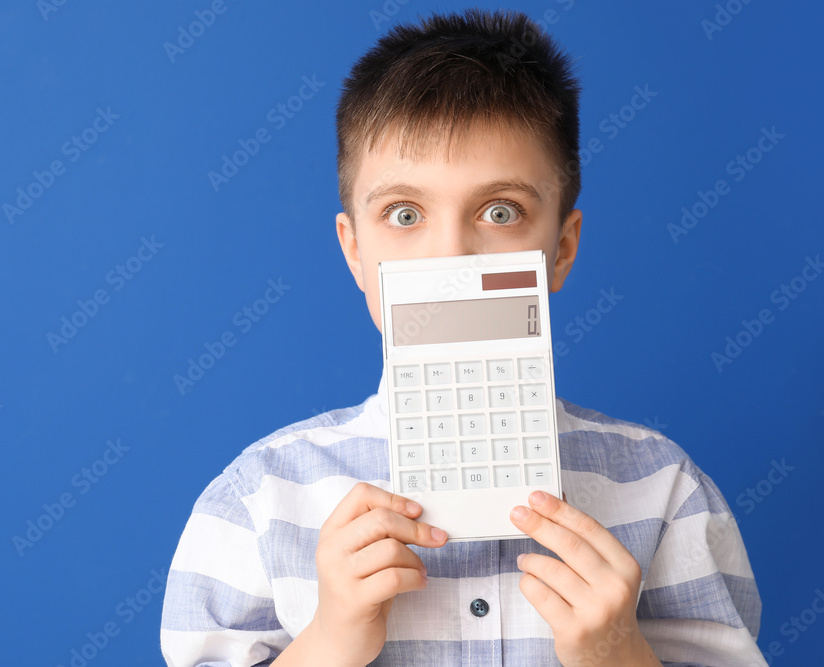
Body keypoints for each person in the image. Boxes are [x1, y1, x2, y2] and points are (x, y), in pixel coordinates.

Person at [161, 8, 764, 666]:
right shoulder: (259, 500)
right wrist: (329, 640)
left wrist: (621, 653)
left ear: (560, 250)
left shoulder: (665, 492)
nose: (451, 256)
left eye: (500, 211)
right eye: (405, 213)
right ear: (355, 251)